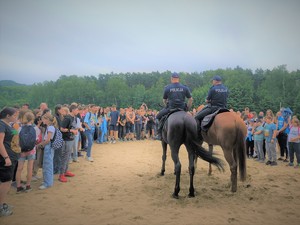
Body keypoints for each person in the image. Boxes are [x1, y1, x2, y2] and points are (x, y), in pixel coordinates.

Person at [156, 72, 193, 140]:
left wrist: (166, 105)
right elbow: (190, 99)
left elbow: (164, 100)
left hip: (171, 108)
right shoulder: (185, 87)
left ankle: (159, 133)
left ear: (171, 79)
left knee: (158, 116)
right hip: (182, 108)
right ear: (178, 79)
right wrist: (187, 108)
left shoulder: (167, 88)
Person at [194, 75, 228, 140]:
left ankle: (198, 136)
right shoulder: (226, 88)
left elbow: (207, 100)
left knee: (196, 117)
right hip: (224, 108)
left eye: (213, 81)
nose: (212, 82)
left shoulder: (213, 88)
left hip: (213, 108)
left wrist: (207, 100)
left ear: (215, 81)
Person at [0, 107, 18, 217]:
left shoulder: (8, 125)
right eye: (15, 115)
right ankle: (1, 206)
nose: (16, 117)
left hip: (10, 156)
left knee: (6, 181)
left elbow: (13, 134)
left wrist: (17, 127)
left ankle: (2, 204)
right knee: (6, 182)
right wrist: (6, 157)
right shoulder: (1, 125)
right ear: (8, 116)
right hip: (4, 159)